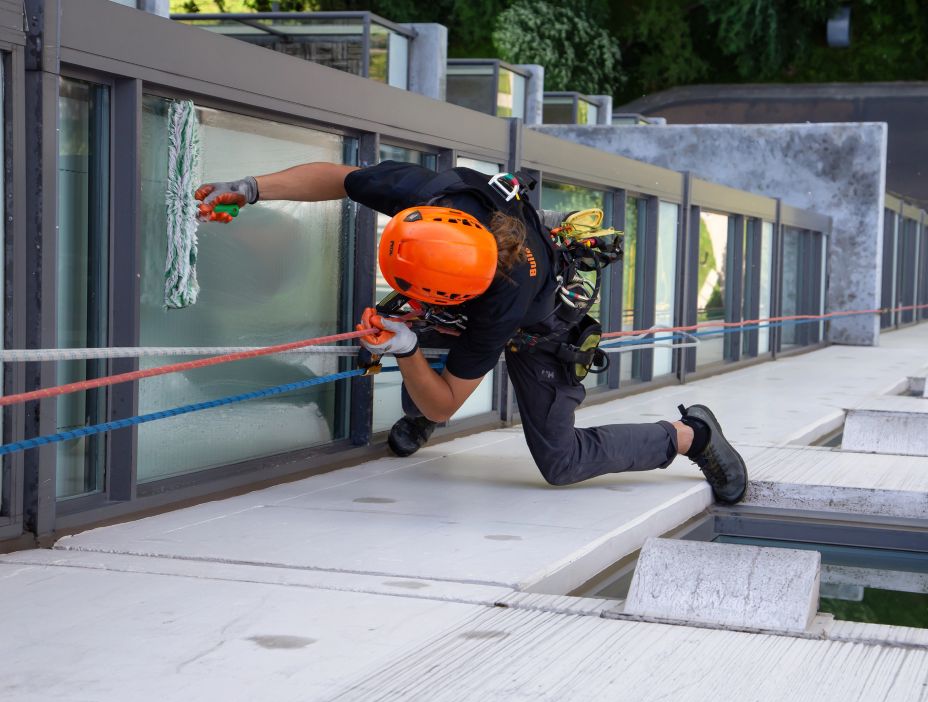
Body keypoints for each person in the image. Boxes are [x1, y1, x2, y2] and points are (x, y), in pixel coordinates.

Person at [194, 161, 748, 503]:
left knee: (562, 463)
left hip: (541, 326)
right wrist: (251, 187)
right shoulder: (434, 199)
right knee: (412, 336)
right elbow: (339, 177)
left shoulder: (503, 298)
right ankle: (418, 364)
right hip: (464, 300)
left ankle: (690, 436)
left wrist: (406, 347)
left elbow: (444, 403)